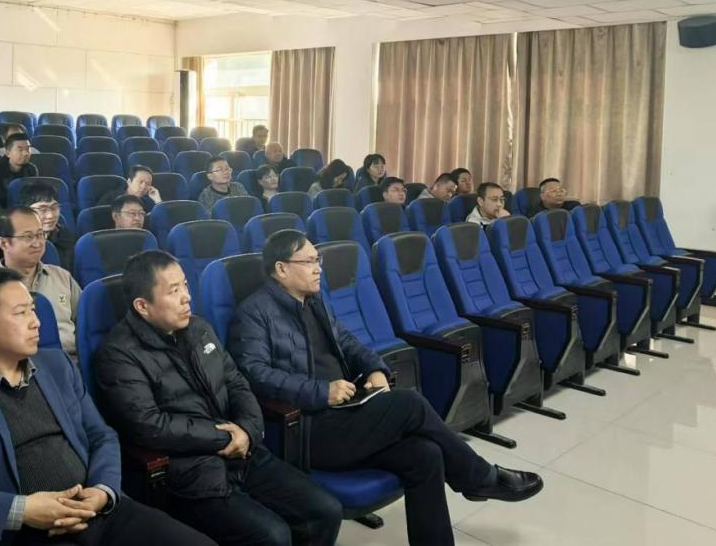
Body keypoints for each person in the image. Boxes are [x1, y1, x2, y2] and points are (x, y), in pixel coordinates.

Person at [229, 230, 544, 545]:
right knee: (410, 403)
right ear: (282, 268)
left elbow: (347, 342)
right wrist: (320, 391)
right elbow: (255, 374)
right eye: (309, 261)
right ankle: (480, 478)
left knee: (426, 454)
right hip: (308, 429)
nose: (318, 268)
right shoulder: (254, 312)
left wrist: (375, 367)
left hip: (345, 414)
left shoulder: (314, 301)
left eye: (318, 259)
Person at [0, 267, 215, 546]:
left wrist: (103, 491)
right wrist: (23, 510)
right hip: (25, 533)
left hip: (97, 511)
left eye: (33, 309)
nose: (36, 322)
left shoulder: (56, 364)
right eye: (21, 313)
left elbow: (101, 435)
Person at [93, 250, 343, 546]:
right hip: (190, 470)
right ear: (142, 306)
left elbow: (236, 382)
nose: (187, 297)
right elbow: (150, 425)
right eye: (174, 291)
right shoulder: (118, 355)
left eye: (185, 285)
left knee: (325, 511)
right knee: (273, 536)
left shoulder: (198, 328)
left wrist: (248, 430)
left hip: (243, 452)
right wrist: (225, 437)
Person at [0, 207, 81, 358]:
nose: (37, 243)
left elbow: (86, 324)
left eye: (40, 235)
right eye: (27, 237)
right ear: (4, 243)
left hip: (71, 361)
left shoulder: (62, 276)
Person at [19, 182, 76, 272]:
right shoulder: (18, 243)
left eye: (54, 207)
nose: (50, 215)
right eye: (42, 209)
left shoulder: (67, 238)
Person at [0, 133, 39, 207]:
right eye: (20, 150)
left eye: (28, 149)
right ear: (8, 153)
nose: (26, 153)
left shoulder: (31, 169)